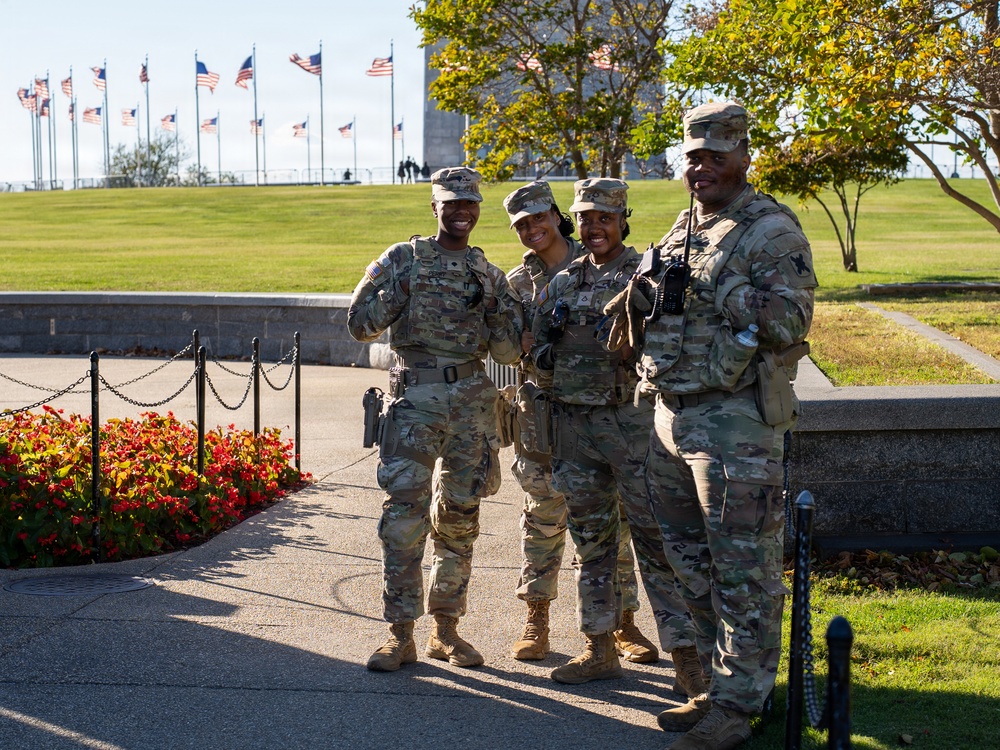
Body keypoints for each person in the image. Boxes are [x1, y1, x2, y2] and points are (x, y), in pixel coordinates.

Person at [606, 103, 816, 749]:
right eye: (694, 155)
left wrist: (715, 287)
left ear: (743, 154)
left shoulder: (769, 229)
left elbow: (790, 320)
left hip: (735, 425)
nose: (703, 166)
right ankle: (713, 688)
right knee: (689, 565)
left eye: (717, 153)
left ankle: (737, 706)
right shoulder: (684, 225)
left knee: (742, 570)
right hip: (671, 415)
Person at [529, 179, 702, 690]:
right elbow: (538, 348)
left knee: (656, 543)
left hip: (634, 430)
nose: (593, 227)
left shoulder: (647, 277)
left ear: (623, 219)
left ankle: (686, 659)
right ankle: (599, 647)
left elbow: (675, 345)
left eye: (604, 218)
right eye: (584, 218)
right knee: (592, 544)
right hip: (576, 434)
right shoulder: (563, 282)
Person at [347, 166, 521, 672]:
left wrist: (495, 309)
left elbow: (509, 352)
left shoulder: (487, 274)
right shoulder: (401, 260)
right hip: (416, 400)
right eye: (452, 203)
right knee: (404, 519)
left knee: (461, 518)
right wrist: (399, 296)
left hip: (472, 405)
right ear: (435, 207)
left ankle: (447, 630)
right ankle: (399, 634)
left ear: (478, 209)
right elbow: (359, 325)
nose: (462, 211)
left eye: (470, 203)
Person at [502, 181, 670, 669]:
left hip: (611, 417)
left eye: (539, 218)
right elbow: (519, 347)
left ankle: (623, 623)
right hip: (543, 414)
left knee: (612, 525)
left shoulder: (617, 266)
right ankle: (537, 616)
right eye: (521, 224)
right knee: (542, 515)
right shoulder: (522, 282)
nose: (532, 229)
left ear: (558, 216)